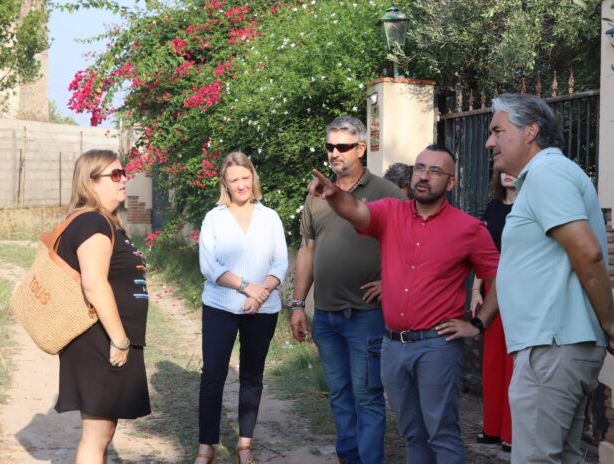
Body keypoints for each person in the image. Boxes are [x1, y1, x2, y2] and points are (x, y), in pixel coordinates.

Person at [437, 93, 614, 464]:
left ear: (530, 131)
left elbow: (587, 252)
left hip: (552, 346)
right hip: (556, 345)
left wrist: (610, 324)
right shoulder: (545, 176)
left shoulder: (547, 173)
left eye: (497, 131)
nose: (489, 142)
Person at [305, 143, 500, 463]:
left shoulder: (469, 229)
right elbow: (355, 210)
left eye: (435, 171)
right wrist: (334, 194)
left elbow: (500, 277)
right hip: (393, 346)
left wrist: (478, 324)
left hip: (437, 345)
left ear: (451, 182)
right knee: (412, 433)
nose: (424, 176)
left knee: (442, 433)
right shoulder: (390, 212)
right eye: (420, 168)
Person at [290, 116, 405, 464]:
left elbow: (411, 245)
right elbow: (307, 250)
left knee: (367, 397)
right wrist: (297, 304)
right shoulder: (317, 194)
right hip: (326, 317)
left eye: (342, 146)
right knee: (339, 395)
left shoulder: (386, 192)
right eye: (330, 146)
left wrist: (390, 282)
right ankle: (348, 458)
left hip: (366, 317)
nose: (334, 153)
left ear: (361, 148)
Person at [55, 149, 150, 463]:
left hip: (106, 338)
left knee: (103, 433)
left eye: (124, 173)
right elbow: (93, 284)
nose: (124, 180)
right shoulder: (92, 223)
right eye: (115, 174)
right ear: (91, 182)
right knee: (96, 436)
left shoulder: (105, 222)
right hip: (101, 340)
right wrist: (120, 339)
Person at [195, 152, 288, 464]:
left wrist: (260, 294)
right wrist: (248, 287)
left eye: (245, 177)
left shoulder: (270, 217)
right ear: (224, 183)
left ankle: (244, 445)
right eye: (234, 179)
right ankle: (206, 446)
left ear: (253, 178)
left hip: (263, 309)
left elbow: (280, 262)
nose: (241, 185)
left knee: (252, 375)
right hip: (220, 306)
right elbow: (209, 266)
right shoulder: (214, 218)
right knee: (213, 374)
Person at [469, 170, 517, 452]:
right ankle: (492, 428)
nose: (507, 175)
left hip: (520, 286)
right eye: (503, 171)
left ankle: (511, 433)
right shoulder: (492, 208)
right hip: (492, 287)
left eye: (513, 170)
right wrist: (476, 290)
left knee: (513, 361)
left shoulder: (530, 206)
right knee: (492, 362)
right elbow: (482, 253)